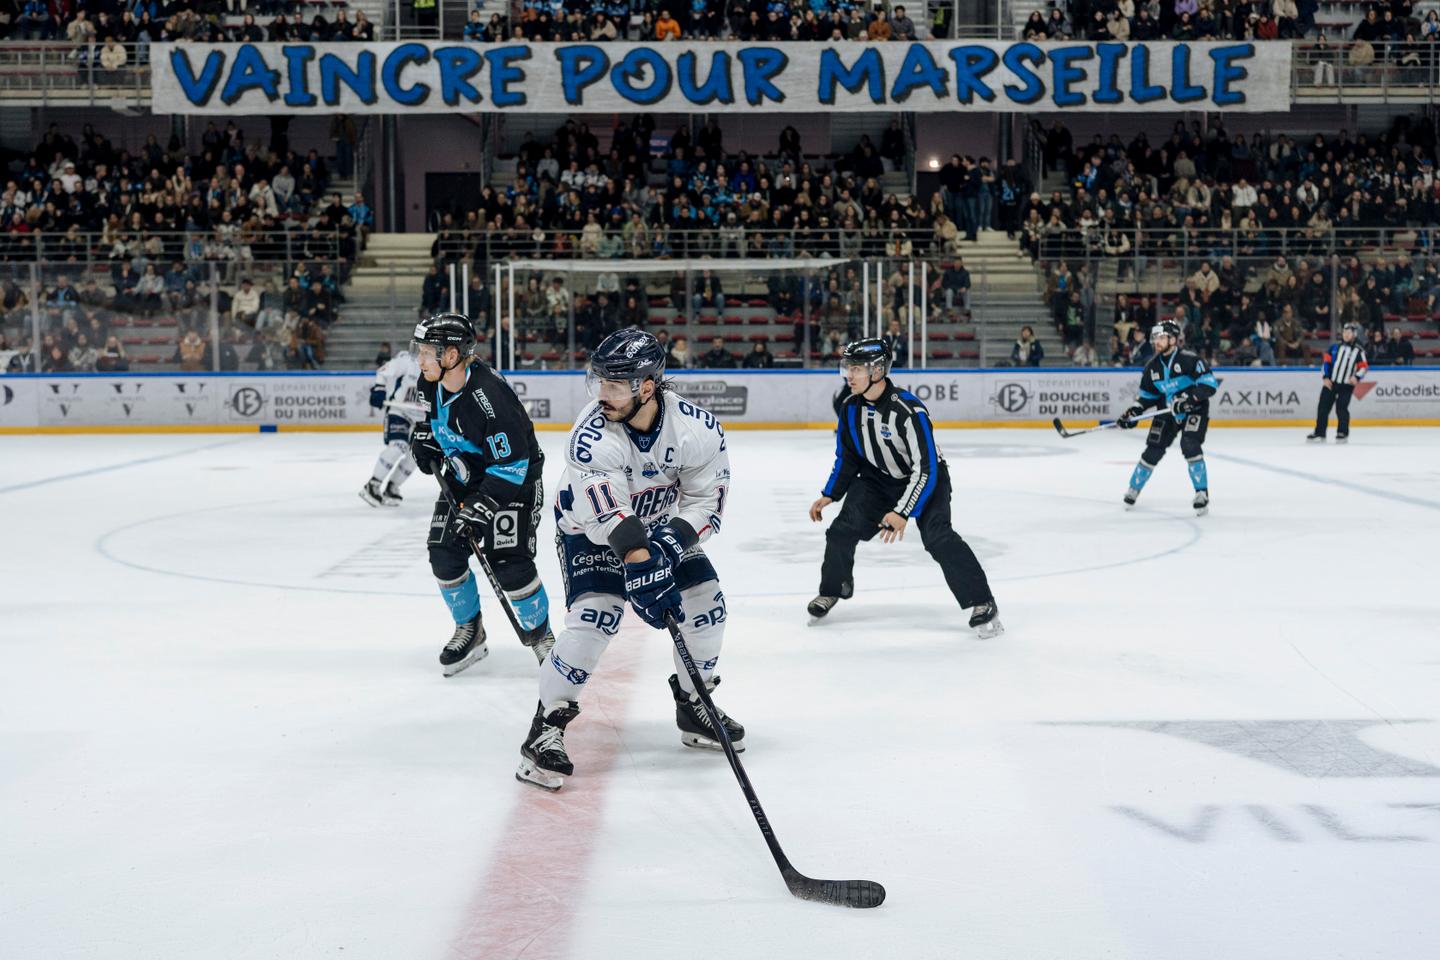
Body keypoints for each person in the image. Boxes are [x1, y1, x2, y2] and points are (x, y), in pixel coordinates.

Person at [517, 329, 740, 791]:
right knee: (598, 616)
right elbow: (608, 516)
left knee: (707, 601)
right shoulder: (591, 435)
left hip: (657, 528)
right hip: (589, 532)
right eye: (598, 382)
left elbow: (706, 502)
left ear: (647, 386)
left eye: (614, 384)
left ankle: (693, 703)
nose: (602, 394)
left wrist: (666, 550)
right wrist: (643, 568)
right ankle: (546, 728)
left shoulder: (696, 429)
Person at [807, 339, 1002, 637]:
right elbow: (847, 457)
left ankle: (982, 601)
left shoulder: (908, 410)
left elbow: (926, 469)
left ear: (877, 371)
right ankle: (834, 589)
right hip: (877, 480)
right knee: (840, 531)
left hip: (928, 480)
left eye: (855, 368)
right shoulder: (849, 408)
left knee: (938, 536)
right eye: (847, 367)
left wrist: (902, 511)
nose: (848, 375)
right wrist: (829, 494)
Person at [408, 314, 556, 676]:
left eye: (429, 352)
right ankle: (471, 630)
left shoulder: (490, 398)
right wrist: (427, 442)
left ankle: (543, 639)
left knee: (509, 562)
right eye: (422, 351)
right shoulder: (430, 382)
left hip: (513, 482)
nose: (421, 360)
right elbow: (435, 423)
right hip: (464, 476)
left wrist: (482, 506)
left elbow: (511, 465)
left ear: (453, 355)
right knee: (443, 554)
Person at [1116, 319, 1220, 515]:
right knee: (1152, 451)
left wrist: (1191, 398)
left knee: (1190, 445)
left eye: (1161, 338)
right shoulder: (1151, 368)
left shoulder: (1189, 359)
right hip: (1168, 413)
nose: (1157, 342)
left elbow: (1209, 384)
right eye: (1155, 338)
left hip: (1194, 411)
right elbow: (1147, 398)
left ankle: (1201, 493)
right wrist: (1134, 412)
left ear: (1173, 339)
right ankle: (1133, 489)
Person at [359, 346, 424, 507]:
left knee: (416, 456)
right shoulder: (407, 361)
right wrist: (379, 389)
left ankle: (392, 487)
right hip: (400, 411)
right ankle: (373, 485)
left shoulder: (441, 366)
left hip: (423, 418)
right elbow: (383, 371)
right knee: (399, 446)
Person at [1307, 321, 1368, 443]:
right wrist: (1325, 377)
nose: (1346, 334)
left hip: (1346, 385)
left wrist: (1356, 377)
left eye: (1349, 332)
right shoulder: (1334, 348)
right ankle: (1320, 432)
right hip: (1331, 383)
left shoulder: (1359, 350)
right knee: (1323, 407)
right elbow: (1326, 363)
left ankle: (1342, 432)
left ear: (1354, 334)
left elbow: (1363, 367)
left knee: (1341, 408)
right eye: (1344, 332)